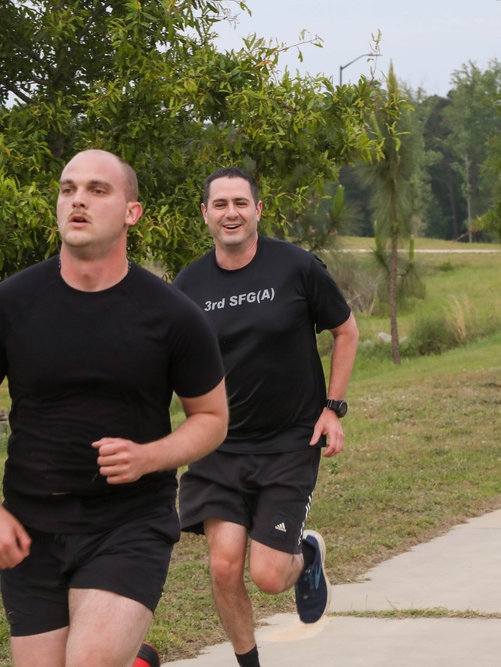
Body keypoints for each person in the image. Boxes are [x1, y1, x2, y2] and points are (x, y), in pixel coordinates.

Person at [0, 149, 229, 667]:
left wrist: (150, 456)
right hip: (32, 525)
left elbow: (211, 419)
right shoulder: (9, 305)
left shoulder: (172, 315)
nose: (78, 200)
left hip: (129, 522)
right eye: (68, 188)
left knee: (91, 661)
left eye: (98, 190)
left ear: (131, 212)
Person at [173, 167, 359, 667]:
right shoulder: (188, 284)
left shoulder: (296, 268)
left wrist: (333, 408)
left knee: (270, 576)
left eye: (240, 202)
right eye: (219, 204)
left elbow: (345, 331)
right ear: (205, 214)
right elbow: (174, 362)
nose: (230, 212)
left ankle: (307, 555)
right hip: (218, 446)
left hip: (288, 441)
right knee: (223, 566)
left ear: (258, 210)